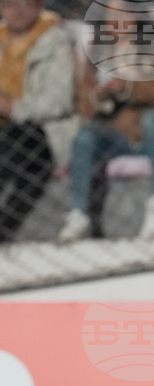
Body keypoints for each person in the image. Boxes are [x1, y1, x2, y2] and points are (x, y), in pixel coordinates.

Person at [58, 5, 154, 242]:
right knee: (85, 137)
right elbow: (83, 102)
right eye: (110, 15)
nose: (116, 20)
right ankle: (79, 214)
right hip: (113, 131)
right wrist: (100, 95)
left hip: (150, 132)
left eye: (122, 13)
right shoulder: (99, 47)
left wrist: (128, 88)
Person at [0, 0, 74, 243]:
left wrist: (13, 108)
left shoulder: (55, 41)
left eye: (26, 3)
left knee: (16, 143)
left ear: (39, 5)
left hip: (44, 129)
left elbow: (60, 100)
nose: (18, 11)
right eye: (10, 4)